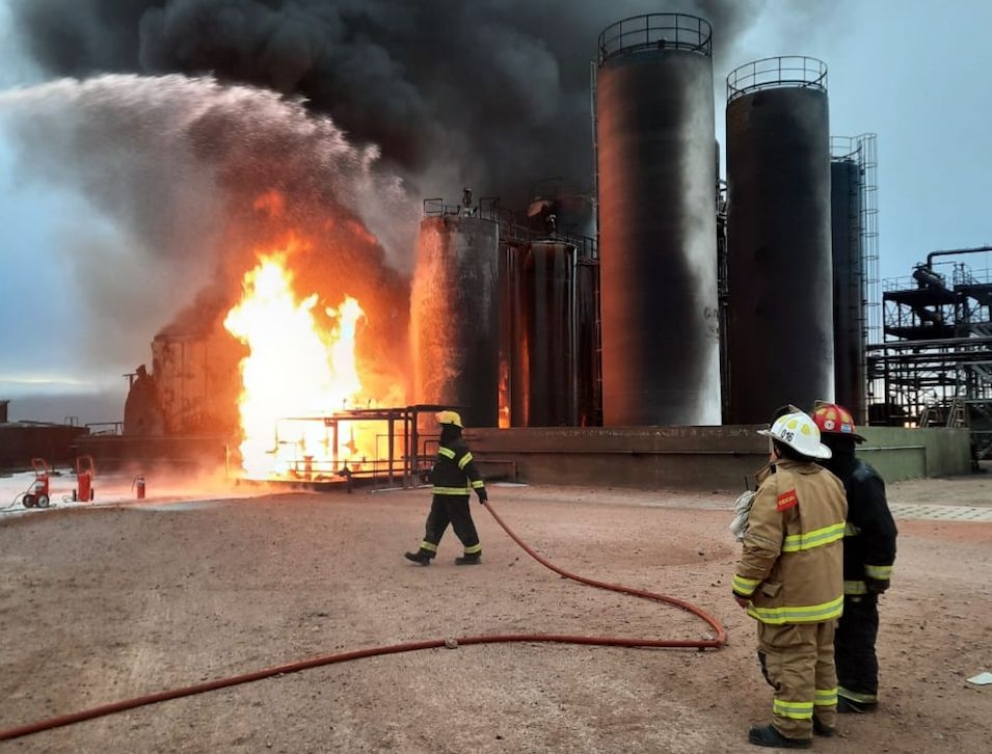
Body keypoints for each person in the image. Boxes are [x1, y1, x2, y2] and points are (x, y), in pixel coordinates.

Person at [732, 409, 847, 749]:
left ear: (779, 448)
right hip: (826, 595)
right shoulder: (831, 481)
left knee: (790, 660)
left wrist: (743, 588)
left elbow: (761, 548)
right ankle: (824, 718)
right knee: (822, 658)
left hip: (792, 599)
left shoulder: (777, 487)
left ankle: (791, 728)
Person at [811, 401, 898, 714]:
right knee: (839, 636)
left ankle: (860, 693)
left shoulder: (861, 479)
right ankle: (844, 686)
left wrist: (876, 576)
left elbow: (882, 532)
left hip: (856, 578)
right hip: (836, 575)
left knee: (855, 634)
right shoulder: (829, 477)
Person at [405, 410, 488, 566]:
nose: (441, 431)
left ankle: (473, 554)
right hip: (442, 493)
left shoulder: (459, 447)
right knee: (434, 524)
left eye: (443, 427)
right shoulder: (448, 446)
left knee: (462, 525)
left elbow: (471, 470)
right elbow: (444, 469)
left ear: (451, 429)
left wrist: (480, 490)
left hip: (456, 495)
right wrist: (431, 474)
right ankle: (425, 553)